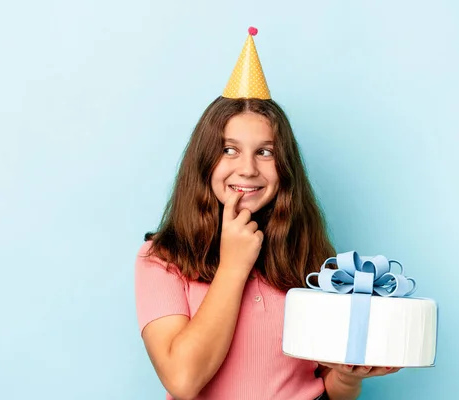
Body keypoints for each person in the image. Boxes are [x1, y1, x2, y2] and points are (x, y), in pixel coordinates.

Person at [134, 27, 400, 400]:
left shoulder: (306, 252)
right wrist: (233, 266)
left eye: (265, 152)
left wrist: (349, 376)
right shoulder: (161, 260)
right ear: (204, 161)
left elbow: (328, 386)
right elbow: (182, 380)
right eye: (229, 150)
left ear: (284, 165)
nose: (247, 169)